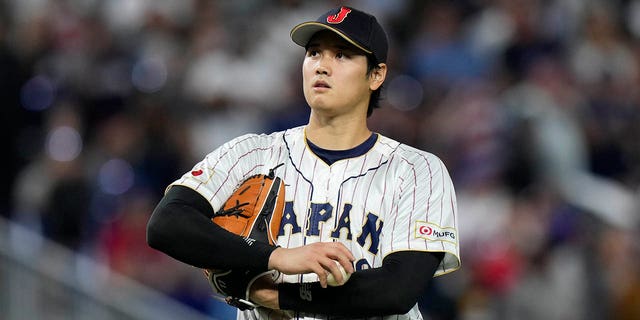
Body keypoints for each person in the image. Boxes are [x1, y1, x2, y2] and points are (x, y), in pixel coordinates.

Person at [147, 6, 461, 319]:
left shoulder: (417, 170)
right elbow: (166, 224)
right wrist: (276, 257)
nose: (322, 66)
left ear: (376, 75)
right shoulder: (252, 154)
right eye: (314, 53)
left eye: (341, 55)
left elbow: (396, 291)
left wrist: (277, 296)